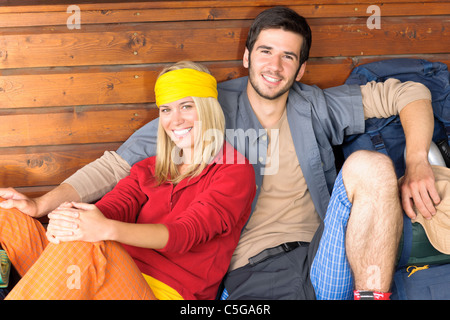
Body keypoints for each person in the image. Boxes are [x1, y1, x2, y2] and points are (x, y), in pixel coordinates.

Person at [0, 7, 438, 300]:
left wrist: (417, 159)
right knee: (21, 223)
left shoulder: (312, 107)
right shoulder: (204, 108)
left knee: (373, 165)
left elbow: (409, 90)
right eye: (265, 51)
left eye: (289, 57)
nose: (275, 65)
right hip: (249, 270)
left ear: (301, 68)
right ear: (247, 56)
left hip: (316, 251)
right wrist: (44, 205)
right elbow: (117, 168)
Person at [0, 61, 256, 300]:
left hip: (161, 291)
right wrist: (68, 219)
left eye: (186, 106)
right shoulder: (150, 168)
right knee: (5, 214)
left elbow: (185, 234)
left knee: (85, 243)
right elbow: (112, 206)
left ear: (208, 108)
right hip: (97, 272)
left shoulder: (234, 172)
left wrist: (103, 229)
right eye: (166, 109)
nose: (175, 120)